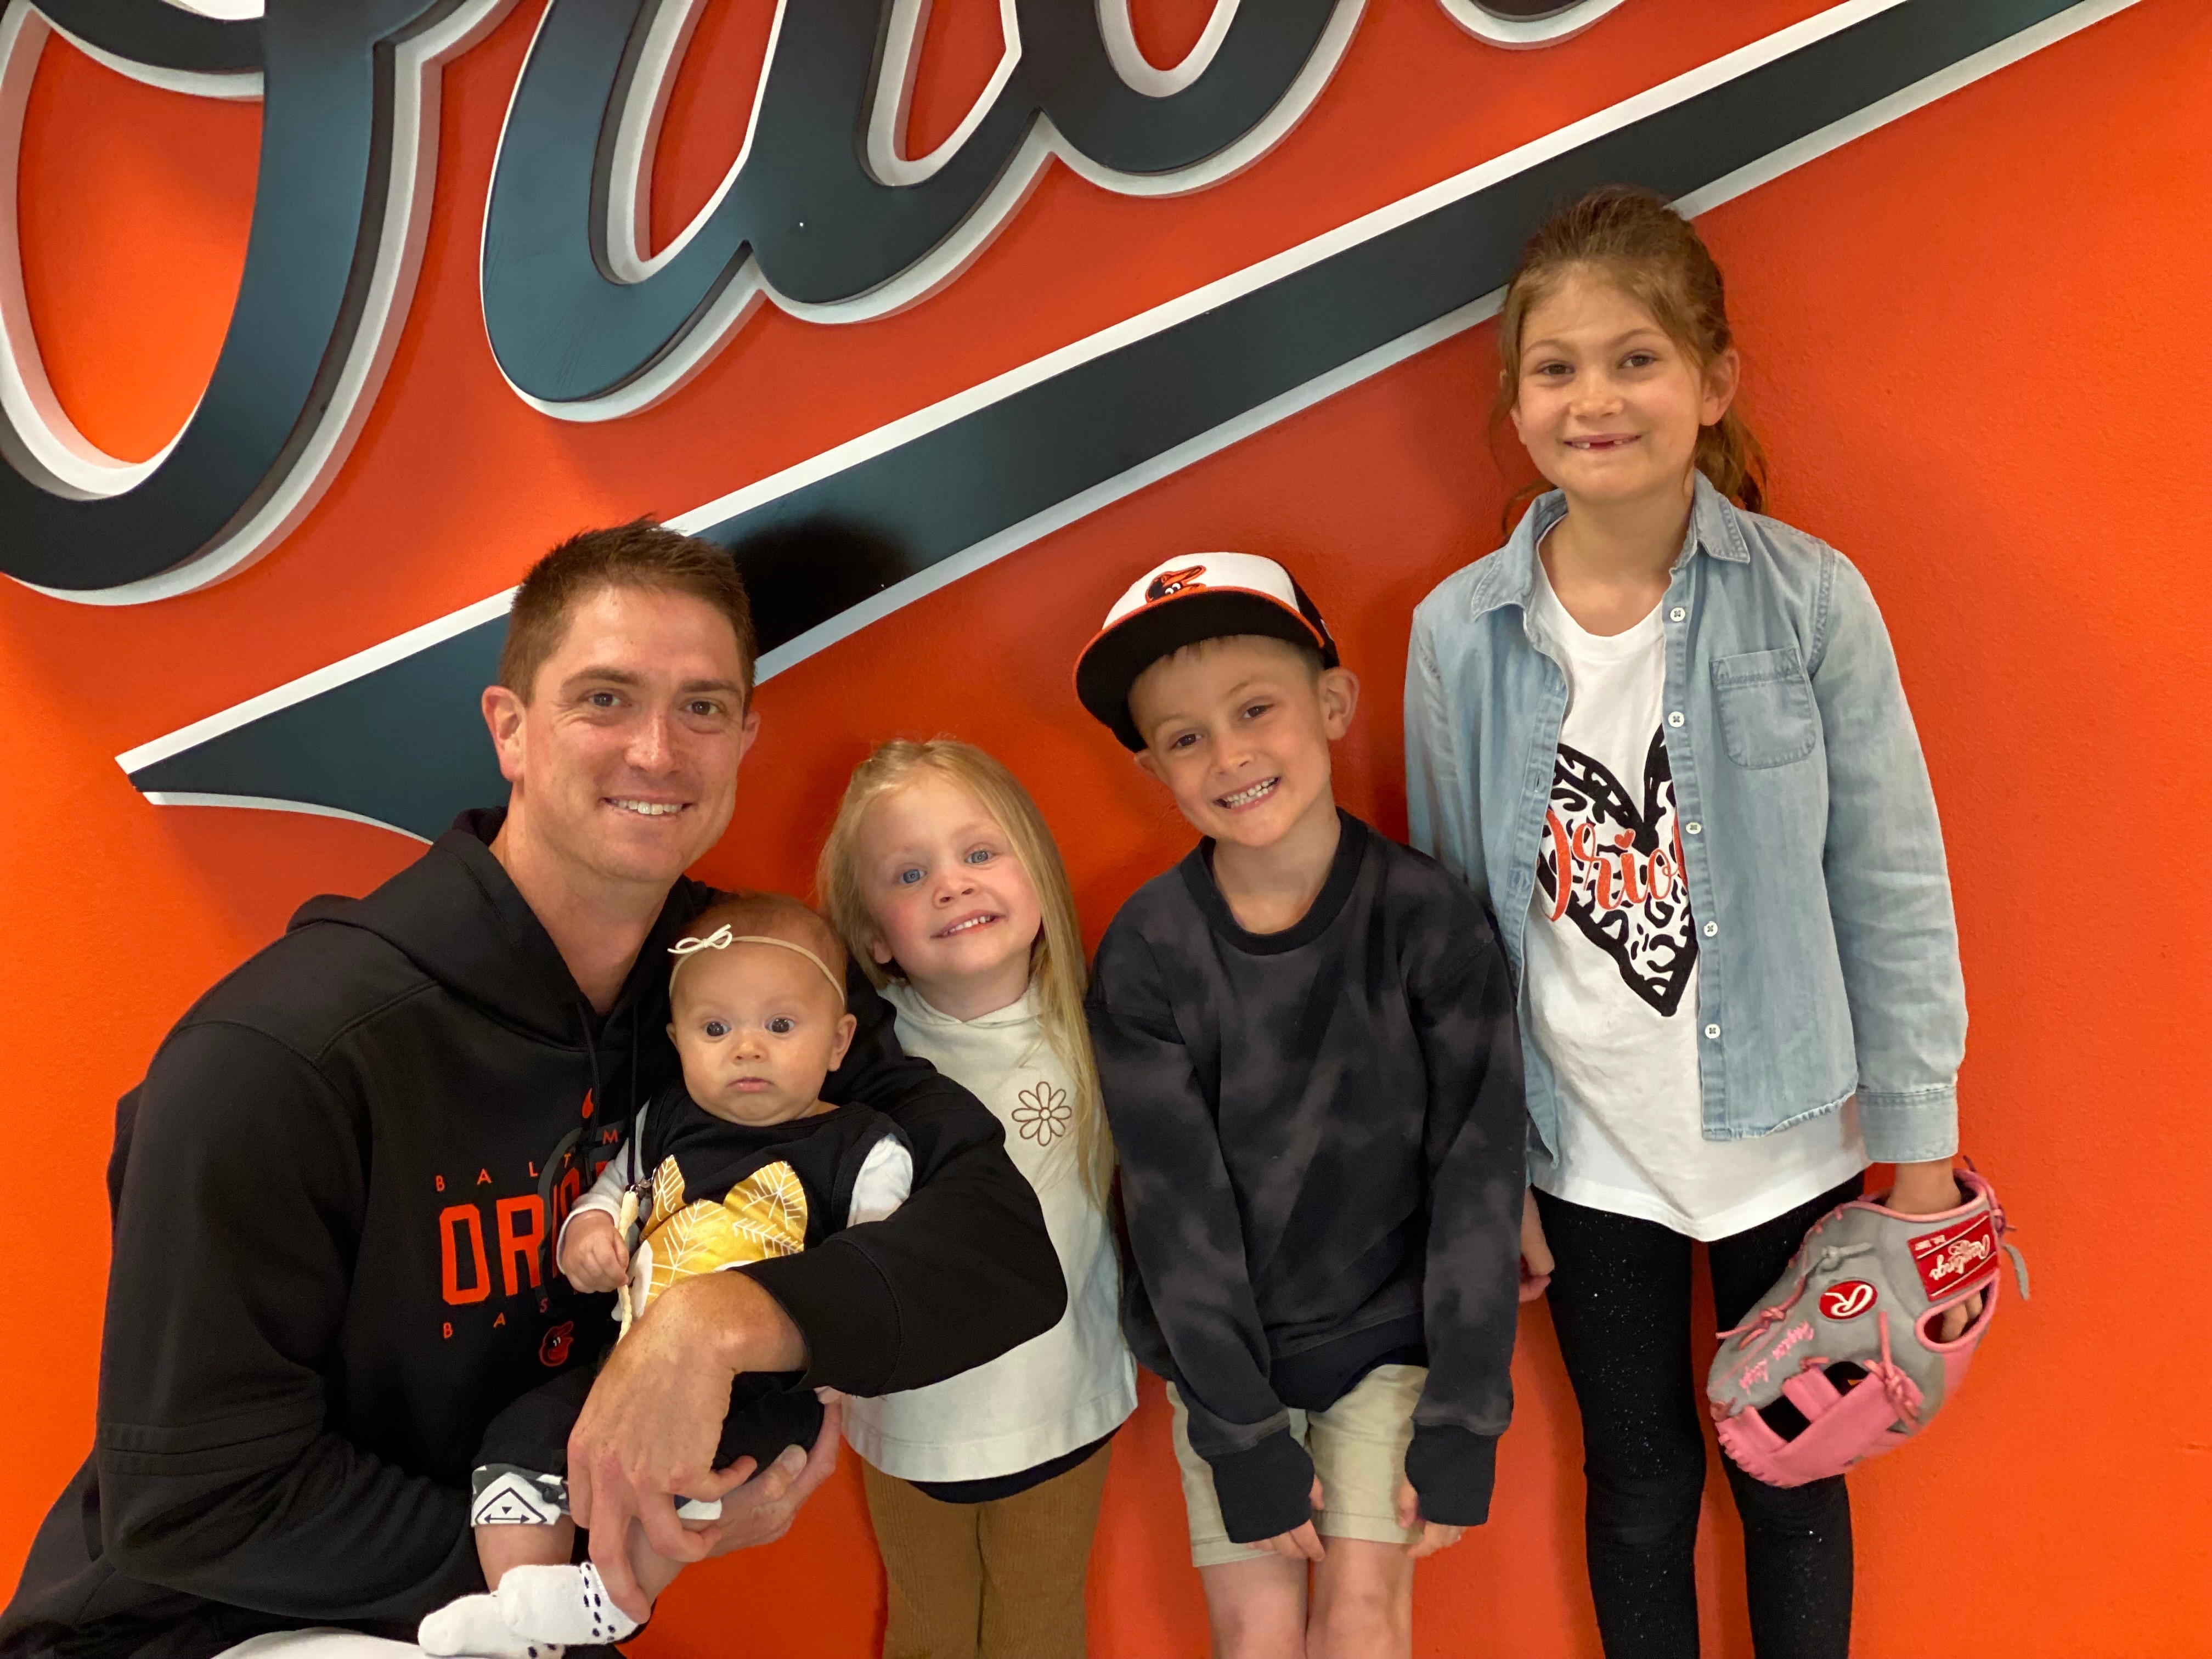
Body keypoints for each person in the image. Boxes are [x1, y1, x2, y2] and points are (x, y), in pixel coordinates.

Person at [1, 523, 1065, 1659]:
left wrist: (719, 1324)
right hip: (213, 1631)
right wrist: (613, 1554)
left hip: (528, 1617)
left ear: (744, 740)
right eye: (606, 699)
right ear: (509, 729)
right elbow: (197, 1504)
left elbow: (1002, 1254)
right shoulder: (280, 1054)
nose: (658, 750)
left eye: (703, 708)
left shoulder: (749, 990)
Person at [1403, 185, 1979, 1659]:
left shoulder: (1811, 602)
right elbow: (1449, 937)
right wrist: (1485, 1170)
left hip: (1791, 1139)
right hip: (1587, 1156)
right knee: (1641, 1483)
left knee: (1794, 1478)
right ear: (1516, 402)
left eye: (1636, 359)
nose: (1595, 399)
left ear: (1714, 382)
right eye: (1557, 368)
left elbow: (1893, 881)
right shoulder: (1457, 634)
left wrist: (1921, 1151)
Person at [1076, 556, 1526, 1659]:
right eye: (1185, 737)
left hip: (1391, 1347)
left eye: (1255, 710)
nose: (1229, 755)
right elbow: (1172, 1210)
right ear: (1152, 768)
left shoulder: (1429, 920)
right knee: (1255, 1632)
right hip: (1228, 1366)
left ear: (1333, 704)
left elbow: (1479, 1171)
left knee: (1365, 1619)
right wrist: (1239, 1431)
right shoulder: (1146, 954)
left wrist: (1466, 1413)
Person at [421, 892, 914, 1655]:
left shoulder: (864, 1149)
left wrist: (845, 1352)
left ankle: (612, 1602)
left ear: (839, 1040)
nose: (746, 1049)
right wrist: (587, 1234)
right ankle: (518, 1618)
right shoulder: (668, 1120)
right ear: (678, 1041)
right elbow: (613, 1191)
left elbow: (878, 1271)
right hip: (629, 1367)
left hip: (766, 1391)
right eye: (716, 1029)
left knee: (686, 1478)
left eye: (781, 1026)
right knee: (522, 1436)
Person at [816, 740, 1137, 1659]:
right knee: (927, 1632)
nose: (952, 885)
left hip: (1061, 1408)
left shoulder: (1101, 1029)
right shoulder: (853, 1059)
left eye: (980, 852)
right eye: (910, 874)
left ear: (1035, 870)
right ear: (875, 936)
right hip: (907, 1422)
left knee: (1041, 1634)